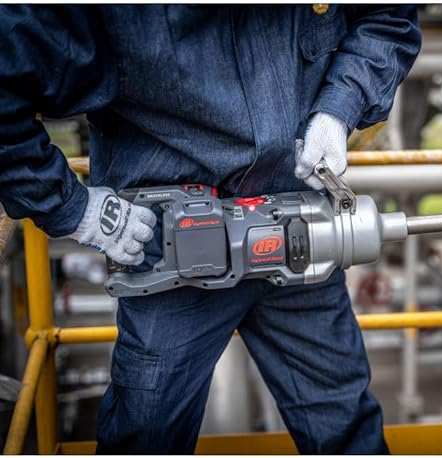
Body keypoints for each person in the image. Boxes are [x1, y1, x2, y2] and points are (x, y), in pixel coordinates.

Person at [0, 5, 420, 453]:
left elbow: (389, 18)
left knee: (345, 426)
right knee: (146, 437)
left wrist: (339, 107)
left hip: (302, 234)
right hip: (170, 256)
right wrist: (74, 207)